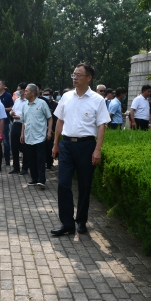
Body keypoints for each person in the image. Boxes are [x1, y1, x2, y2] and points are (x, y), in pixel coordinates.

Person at [51, 63, 111, 236]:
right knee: (63, 184)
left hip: (86, 146)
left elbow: (101, 125)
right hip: (67, 145)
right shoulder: (66, 97)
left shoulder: (98, 100)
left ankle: (81, 220)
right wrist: (56, 143)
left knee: (85, 185)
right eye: (74, 74)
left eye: (78, 75)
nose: (75, 77)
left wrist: (97, 150)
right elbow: (60, 121)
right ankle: (67, 224)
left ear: (89, 78)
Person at [20, 83, 52, 189]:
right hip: (28, 136)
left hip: (40, 136)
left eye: (26, 91)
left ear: (33, 93)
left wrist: (49, 131)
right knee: (31, 159)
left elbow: (49, 118)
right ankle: (34, 179)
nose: (24, 93)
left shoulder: (42, 103)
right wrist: (22, 134)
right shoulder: (25, 105)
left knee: (40, 159)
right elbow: (24, 121)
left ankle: (41, 180)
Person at [9, 83, 28, 174]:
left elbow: (27, 115)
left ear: (23, 90)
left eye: (19, 89)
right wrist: (11, 113)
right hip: (15, 124)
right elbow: (12, 110)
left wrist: (19, 117)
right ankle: (16, 167)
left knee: (24, 147)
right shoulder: (17, 100)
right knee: (14, 147)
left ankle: (25, 168)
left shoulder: (28, 102)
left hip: (23, 125)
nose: (17, 91)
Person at [0, 80, 14, 166]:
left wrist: (3, 109)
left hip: (5, 121)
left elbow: (12, 107)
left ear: (4, 86)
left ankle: (7, 159)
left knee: (6, 141)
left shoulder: (8, 95)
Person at [42, 88, 58, 170]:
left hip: (52, 128)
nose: (45, 96)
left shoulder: (55, 105)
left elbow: (57, 118)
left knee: (49, 146)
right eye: (44, 95)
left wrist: (51, 128)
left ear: (51, 95)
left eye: (47, 95)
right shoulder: (42, 103)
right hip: (42, 128)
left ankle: (49, 163)